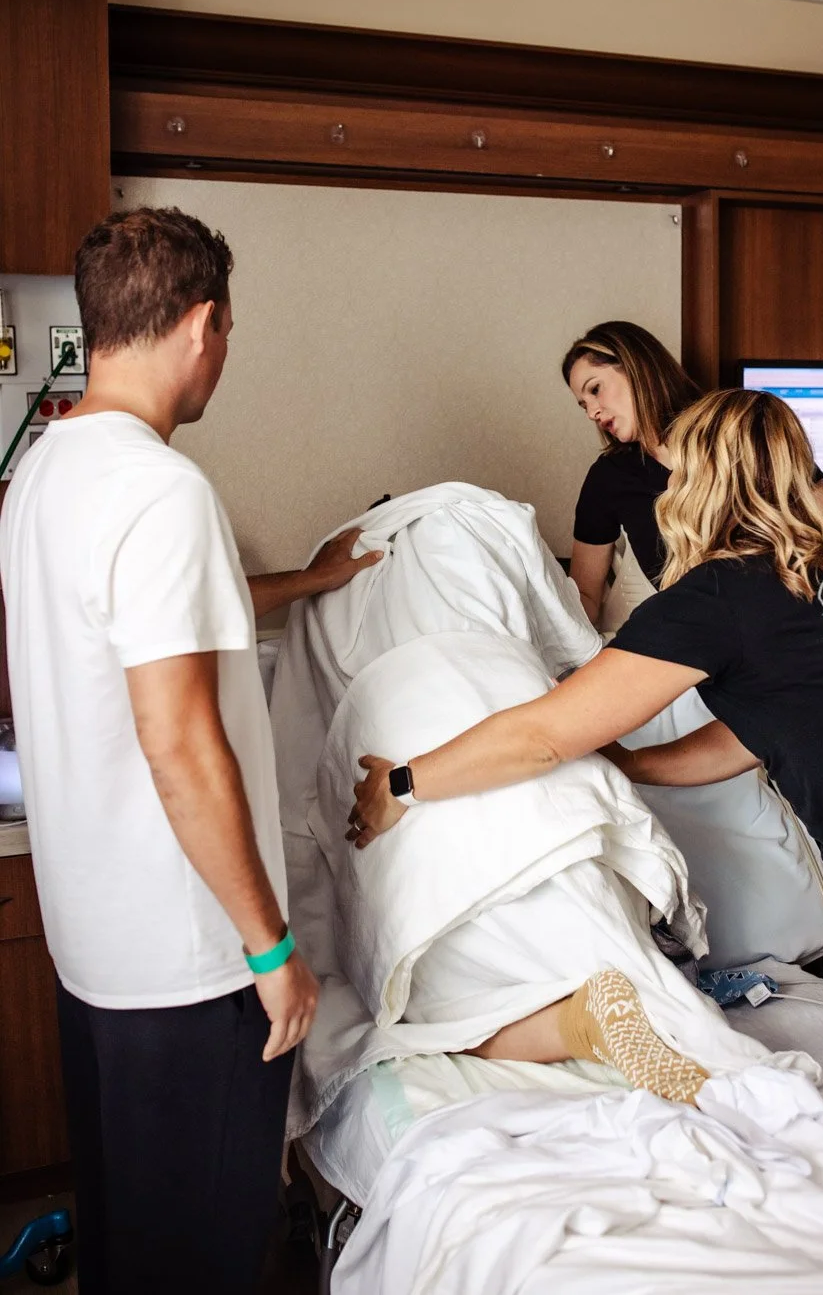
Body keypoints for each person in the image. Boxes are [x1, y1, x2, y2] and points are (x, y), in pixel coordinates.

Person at [350, 388, 823, 1080]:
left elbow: (541, 736)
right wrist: (629, 765)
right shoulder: (815, 573)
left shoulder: (721, 598)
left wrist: (402, 784)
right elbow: (754, 737)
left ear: (693, 479)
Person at [0, 207, 381, 1295]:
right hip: (187, 965)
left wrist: (310, 582)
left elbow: (144, 623)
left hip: (95, 954)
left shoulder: (45, 471)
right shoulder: (165, 491)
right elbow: (178, 742)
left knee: (133, 1235)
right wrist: (272, 952)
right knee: (207, 1252)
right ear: (205, 324)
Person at [563, 320, 823, 624]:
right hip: (702, 635)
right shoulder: (610, 477)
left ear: (634, 366)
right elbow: (585, 596)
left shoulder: (741, 429)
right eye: (583, 405)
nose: (592, 412)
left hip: (790, 622)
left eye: (595, 389)